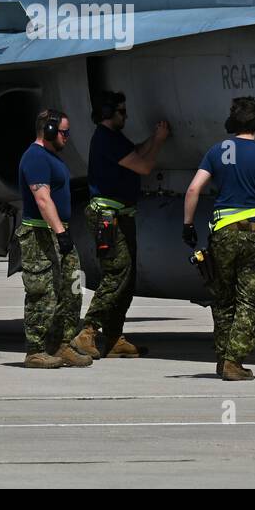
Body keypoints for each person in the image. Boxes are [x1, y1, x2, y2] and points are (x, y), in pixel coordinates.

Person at [182, 96, 255, 382]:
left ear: (231, 123)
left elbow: (193, 190)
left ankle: (223, 359)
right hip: (253, 232)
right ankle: (233, 360)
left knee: (223, 298)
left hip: (221, 232)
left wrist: (188, 225)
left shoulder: (215, 151)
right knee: (251, 299)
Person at [71, 91, 171, 359]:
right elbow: (144, 166)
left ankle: (114, 337)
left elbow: (136, 152)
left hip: (121, 215)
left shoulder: (114, 139)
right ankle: (87, 332)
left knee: (127, 279)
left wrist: (153, 138)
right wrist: (160, 142)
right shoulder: (106, 139)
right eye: (122, 112)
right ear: (108, 114)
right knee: (116, 273)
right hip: (108, 216)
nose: (125, 116)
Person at [15, 109, 92, 369]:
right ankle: (35, 350)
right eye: (63, 132)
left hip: (57, 231)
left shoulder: (51, 157)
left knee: (72, 290)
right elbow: (42, 198)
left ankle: (63, 343)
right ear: (48, 130)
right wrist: (60, 232)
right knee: (42, 292)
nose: (67, 137)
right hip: (40, 234)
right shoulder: (35, 158)